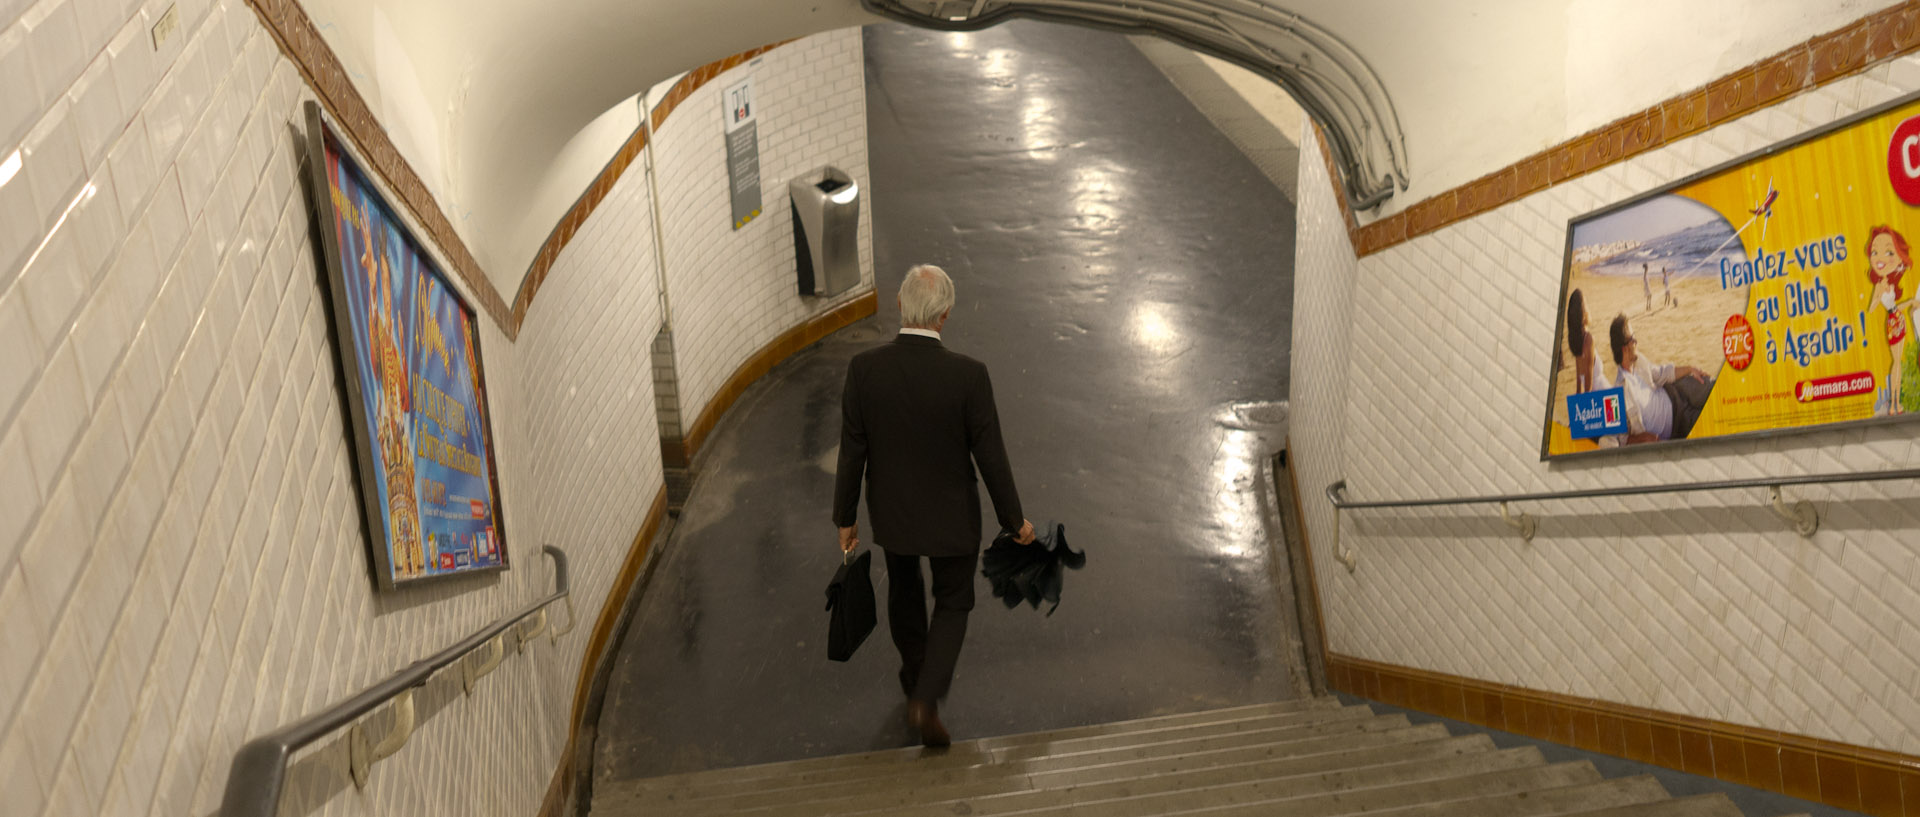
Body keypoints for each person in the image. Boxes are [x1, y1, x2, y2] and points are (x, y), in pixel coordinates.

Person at [834, 264, 1035, 748]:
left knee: (904, 591)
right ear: (944, 316)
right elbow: (992, 458)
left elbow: (852, 450)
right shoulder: (969, 376)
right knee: (953, 602)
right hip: (951, 518)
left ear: (901, 306)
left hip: (893, 515)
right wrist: (1015, 521)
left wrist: (845, 518)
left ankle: (913, 677)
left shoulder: (865, 371)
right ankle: (926, 698)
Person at [1609, 315, 1714, 443]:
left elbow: (1663, 373)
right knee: (1713, 420)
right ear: (1624, 348)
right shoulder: (1617, 394)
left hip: (1678, 390)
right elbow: (1622, 439)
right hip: (1679, 423)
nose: (1636, 341)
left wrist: (1691, 369)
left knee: (1713, 386)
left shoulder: (1639, 361)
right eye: (1632, 338)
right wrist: (1645, 438)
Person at [1866, 225, 1913, 415]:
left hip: (1898, 318)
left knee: (1898, 362)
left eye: (1888, 252)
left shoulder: (1890, 282)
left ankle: (1896, 403)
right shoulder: (1879, 285)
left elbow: (1894, 307)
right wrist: (1878, 295)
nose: (1880, 258)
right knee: (1896, 362)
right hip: (1893, 322)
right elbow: (1871, 309)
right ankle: (1894, 404)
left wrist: (1910, 302)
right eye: (1875, 252)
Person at [1565, 289, 1609, 394]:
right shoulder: (1588, 339)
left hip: (1597, 394)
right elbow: (1588, 385)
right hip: (1601, 394)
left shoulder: (1577, 339)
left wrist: (1578, 394)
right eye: (1586, 303)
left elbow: (1579, 374)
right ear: (1583, 312)